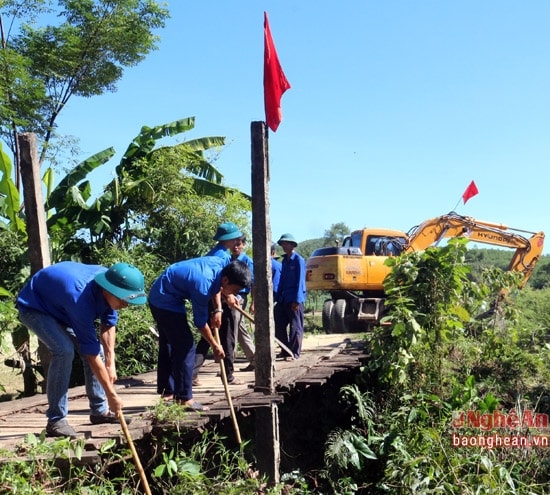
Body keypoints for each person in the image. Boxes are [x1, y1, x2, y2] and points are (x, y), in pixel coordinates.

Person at [16, 261, 148, 438]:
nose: (126, 305)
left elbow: (108, 325)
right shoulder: (80, 297)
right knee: (64, 350)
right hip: (35, 307)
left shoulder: (109, 286)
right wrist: (112, 395)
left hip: (62, 308)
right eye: (123, 299)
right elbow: (90, 353)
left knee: (100, 352)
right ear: (109, 290)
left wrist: (110, 363)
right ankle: (56, 420)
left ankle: (99, 412)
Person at [149, 257, 251, 409]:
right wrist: (215, 345)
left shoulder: (221, 264)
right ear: (226, 280)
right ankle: (184, 398)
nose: (234, 294)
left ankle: (167, 391)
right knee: (186, 347)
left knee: (170, 344)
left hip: (164, 293)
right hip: (165, 300)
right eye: (235, 291)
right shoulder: (202, 287)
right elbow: (201, 323)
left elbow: (217, 287)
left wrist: (218, 309)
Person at [193, 222, 244, 385]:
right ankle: (228, 375)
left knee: (207, 338)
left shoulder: (216, 252)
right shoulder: (221, 256)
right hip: (217, 301)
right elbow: (219, 282)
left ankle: (192, 373)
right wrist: (226, 298)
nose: (237, 241)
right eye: (235, 238)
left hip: (211, 299)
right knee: (226, 336)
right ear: (229, 239)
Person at [274, 233, 307, 360]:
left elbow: (300, 282)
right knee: (278, 323)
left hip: (294, 298)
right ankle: (285, 349)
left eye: (286, 243)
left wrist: (297, 300)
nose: (283, 246)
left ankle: (294, 353)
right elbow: (281, 281)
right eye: (282, 244)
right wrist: (278, 298)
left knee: (295, 326)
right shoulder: (284, 261)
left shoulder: (299, 260)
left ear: (292, 245)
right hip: (284, 299)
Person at [230, 236, 256, 372]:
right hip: (229, 296)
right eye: (233, 244)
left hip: (241, 297)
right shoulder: (229, 260)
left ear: (243, 245)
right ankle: (254, 359)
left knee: (232, 328)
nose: (235, 247)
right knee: (239, 328)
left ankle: (229, 364)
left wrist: (253, 302)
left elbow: (253, 283)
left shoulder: (247, 261)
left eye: (238, 244)